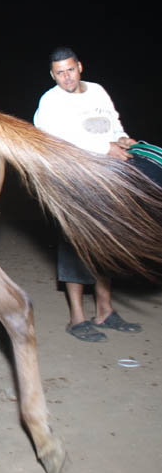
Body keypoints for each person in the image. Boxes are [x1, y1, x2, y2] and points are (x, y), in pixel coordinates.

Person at [33, 45, 143, 342]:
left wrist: (122, 139)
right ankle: (77, 318)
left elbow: (112, 122)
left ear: (80, 66)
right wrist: (105, 148)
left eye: (70, 70)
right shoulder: (50, 102)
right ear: (52, 75)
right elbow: (57, 141)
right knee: (76, 247)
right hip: (75, 182)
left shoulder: (97, 91)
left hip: (108, 179)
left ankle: (105, 310)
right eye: (60, 73)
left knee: (106, 244)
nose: (67, 77)